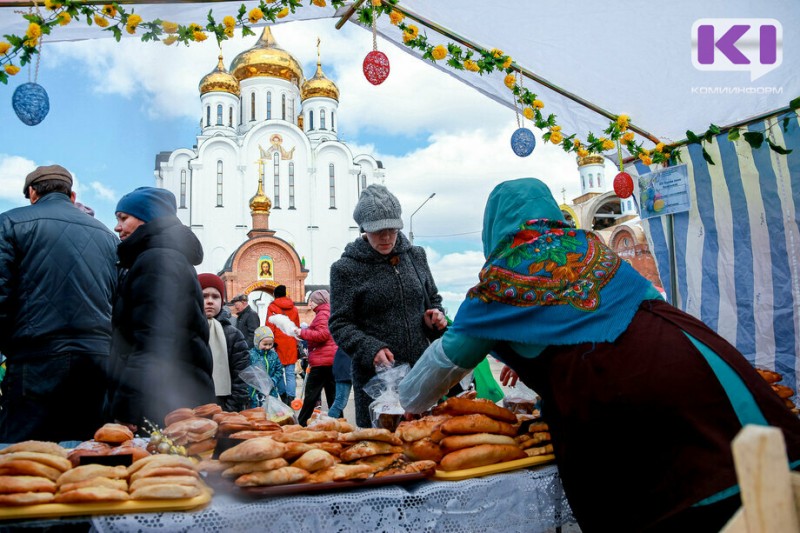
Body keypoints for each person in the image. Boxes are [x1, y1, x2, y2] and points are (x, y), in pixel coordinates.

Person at [399, 177, 800, 532]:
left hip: (630, 395)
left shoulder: (500, 285)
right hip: (706, 360)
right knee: (765, 490)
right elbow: (605, 322)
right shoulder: (593, 248)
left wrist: (403, 399)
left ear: (494, 227)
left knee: (682, 498)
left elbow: (435, 372)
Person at [0, 165, 118, 442]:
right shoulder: (107, 236)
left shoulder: (10, 223)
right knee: (86, 454)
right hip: (96, 362)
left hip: (35, 358)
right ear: (72, 195)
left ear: (32, 193)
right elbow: (117, 300)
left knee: (21, 459)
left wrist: (10, 348)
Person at [329, 184, 447, 428]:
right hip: (377, 383)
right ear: (363, 229)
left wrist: (434, 317)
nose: (386, 237)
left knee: (425, 445)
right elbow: (340, 323)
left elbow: (433, 299)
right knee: (382, 452)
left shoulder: (416, 257)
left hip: (420, 372)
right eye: (378, 230)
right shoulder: (345, 269)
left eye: (392, 229)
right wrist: (370, 348)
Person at [106, 187, 216, 431]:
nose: (117, 227)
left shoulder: (156, 260)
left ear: (148, 218)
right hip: (171, 397)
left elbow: (151, 340)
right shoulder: (162, 256)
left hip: (159, 404)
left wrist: (128, 409)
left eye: (124, 218)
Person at [198, 274, 250, 412]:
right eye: (204, 296)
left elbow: (241, 379)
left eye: (215, 297)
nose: (210, 301)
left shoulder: (233, 335)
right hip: (192, 409)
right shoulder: (185, 333)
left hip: (223, 407)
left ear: (222, 301)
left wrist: (229, 411)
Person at [294, 290, 337, 426]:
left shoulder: (322, 314)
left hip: (321, 362)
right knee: (332, 396)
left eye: (311, 301)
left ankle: (301, 424)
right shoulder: (327, 312)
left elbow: (323, 334)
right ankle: (338, 422)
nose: (309, 304)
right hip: (330, 360)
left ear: (318, 301)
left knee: (311, 396)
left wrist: (302, 332)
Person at [266, 284, 300, 404]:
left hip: (277, 344)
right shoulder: (294, 309)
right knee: (290, 373)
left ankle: (284, 396)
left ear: (275, 294)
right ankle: (291, 398)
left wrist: (270, 342)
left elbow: (269, 326)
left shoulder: (272, 308)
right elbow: (297, 328)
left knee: (278, 372)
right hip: (291, 343)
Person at [248, 326, 283, 408]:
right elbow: (248, 372)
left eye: (270, 344)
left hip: (271, 391)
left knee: (270, 412)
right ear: (257, 342)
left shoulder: (274, 355)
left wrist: (273, 381)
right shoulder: (251, 355)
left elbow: (279, 370)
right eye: (265, 344)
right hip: (254, 392)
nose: (267, 347)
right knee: (256, 414)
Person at [327, 348, 353, 419]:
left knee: (340, 401)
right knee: (340, 402)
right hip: (345, 370)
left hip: (344, 369)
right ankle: (327, 424)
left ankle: (328, 423)